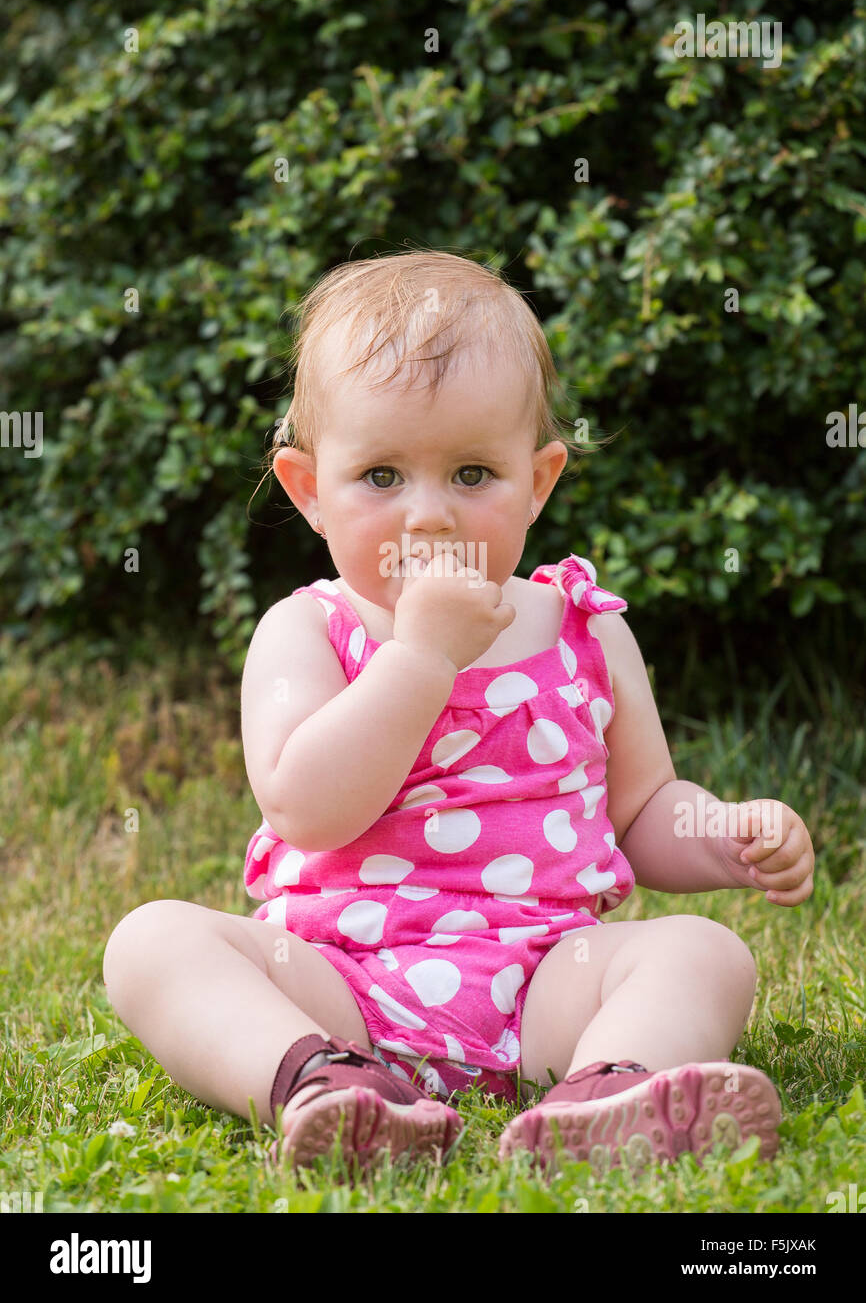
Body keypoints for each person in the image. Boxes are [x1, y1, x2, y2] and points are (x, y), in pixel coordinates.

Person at [102, 249, 815, 1177]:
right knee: (152, 941)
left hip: (547, 984)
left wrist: (722, 832)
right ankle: (325, 1085)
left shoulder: (584, 631)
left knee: (707, 953)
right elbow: (306, 809)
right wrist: (422, 659)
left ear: (539, 481)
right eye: (383, 477)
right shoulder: (306, 631)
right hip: (340, 982)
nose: (427, 517)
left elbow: (642, 814)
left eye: (474, 474)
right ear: (310, 490)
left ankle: (604, 1094)